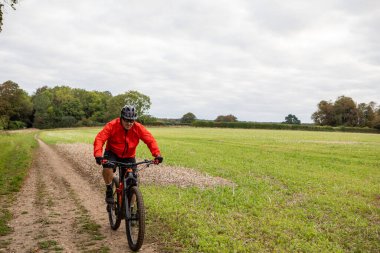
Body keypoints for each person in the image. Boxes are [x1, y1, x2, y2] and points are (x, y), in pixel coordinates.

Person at [93, 105, 163, 203]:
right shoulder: (112, 125)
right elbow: (100, 139)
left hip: (129, 156)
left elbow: (150, 140)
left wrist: (157, 154)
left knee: (133, 182)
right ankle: (109, 189)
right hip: (112, 153)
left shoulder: (138, 128)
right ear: (121, 118)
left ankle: (131, 209)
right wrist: (98, 155)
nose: (129, 123)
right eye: (126, 120)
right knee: (107, 167)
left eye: (131, 120)